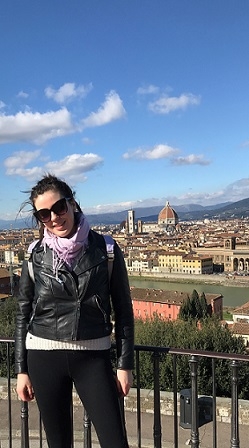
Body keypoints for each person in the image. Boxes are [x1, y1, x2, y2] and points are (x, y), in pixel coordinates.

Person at [15, 173, 134, 448]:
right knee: (59, 443)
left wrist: (125, 364)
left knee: (115, 441)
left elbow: (123, 310)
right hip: (43, 356)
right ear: (40, 219)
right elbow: (23, 313)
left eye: (59, 207)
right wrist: (21, 370)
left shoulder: (107, 249)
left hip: (94, 358)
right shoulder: (34, 255)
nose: (54, 217)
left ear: (72, 203)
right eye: (44, 214)